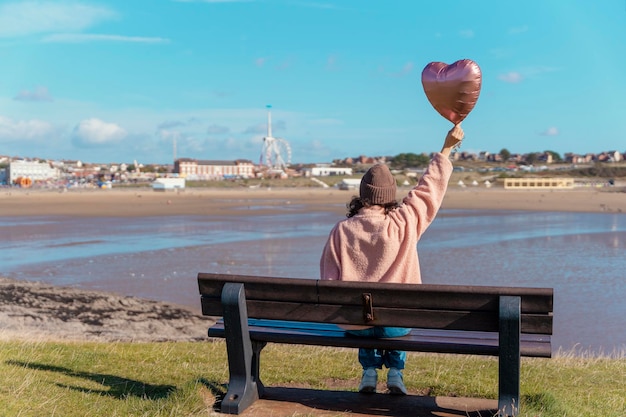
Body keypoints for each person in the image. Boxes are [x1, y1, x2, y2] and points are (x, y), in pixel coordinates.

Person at [319, 124, 464, 395]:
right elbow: (428, 190)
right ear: (390, 197)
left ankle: (369, 371)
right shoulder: (405, 223)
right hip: (397, 322)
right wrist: (446, 149)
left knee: (362, 311)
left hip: (357, 324)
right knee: (394, 314)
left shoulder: (341, 230)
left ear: (362, 195)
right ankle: (396, 372)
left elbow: (328, 281)